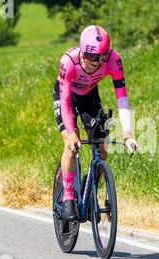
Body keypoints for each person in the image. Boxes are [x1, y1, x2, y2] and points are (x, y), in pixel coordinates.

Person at [53, 25, 139, 221]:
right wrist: (72, 133)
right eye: (92, 58)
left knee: (103, 147)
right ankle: (67, 196)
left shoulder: (114, 60)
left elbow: (122, 98)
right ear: (83, 53)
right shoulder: (68, 62)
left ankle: (90, 188)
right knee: (71, 145)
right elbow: (65, 102)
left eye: (101, 57)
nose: (97, 63)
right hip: (66, 97)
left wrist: (128, 133)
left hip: (89, 96)